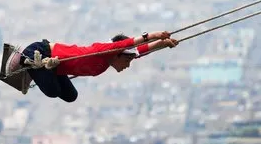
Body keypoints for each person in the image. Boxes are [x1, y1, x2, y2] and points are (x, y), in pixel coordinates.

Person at [9, 31, 179, 103]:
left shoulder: (108, 62)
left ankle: (39, 70)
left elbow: (140, 51)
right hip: (40, 52)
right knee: (52, 91)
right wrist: (153, 35)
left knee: (70, 96)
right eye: (127, 61)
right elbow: (129, 43)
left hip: (56, 66)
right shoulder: (103, 51)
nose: (128, 66)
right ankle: (26, 61)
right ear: (118, 53)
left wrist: (163, 44)